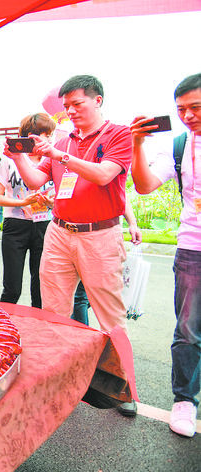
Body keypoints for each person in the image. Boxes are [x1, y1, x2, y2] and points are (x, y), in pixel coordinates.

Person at [7, 75, 134, 413]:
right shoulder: (64, 140)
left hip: (100, 234)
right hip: (60, 232)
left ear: (98, 100)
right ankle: (60, 379)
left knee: (110, 316)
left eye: (77, 104)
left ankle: (121, 389)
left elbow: (104, 174)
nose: (71, 111)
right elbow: (36, 179)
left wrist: (60, 156)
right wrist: (18, 157)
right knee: (54, 312)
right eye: (67, 106)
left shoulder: (119, 133)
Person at [129, 72, 201, 437]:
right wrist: (138, 144)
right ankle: (184, 401)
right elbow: (143, 186)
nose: (188, 115)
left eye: (196, 107)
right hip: (192, 247)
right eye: (182, 109)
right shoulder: (178, 146)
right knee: (188, 330)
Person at [0, 112, 57, 308]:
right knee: (12, 287)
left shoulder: (53, 160)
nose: (47, 139)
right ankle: (1, 327)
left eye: (49, 135)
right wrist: (23, 203)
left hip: (45, 225)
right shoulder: (10, 161)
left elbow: (62, 198)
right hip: (15, 225)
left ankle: (38, 332)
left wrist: (50, 203)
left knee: (40, 288)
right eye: (44, 135)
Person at [72, 200, 142, 325]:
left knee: (81, 296)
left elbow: (122, 196)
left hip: (94, 237)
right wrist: (132, 224)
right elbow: (122, 196)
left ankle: (83, 336)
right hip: (98, 236)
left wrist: (133, 224)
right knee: (88, 294)